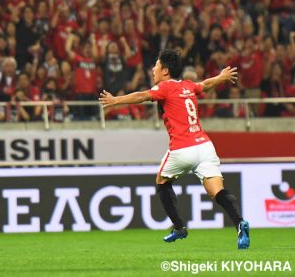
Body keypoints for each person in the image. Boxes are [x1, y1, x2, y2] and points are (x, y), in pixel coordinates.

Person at [99, 49, 250, 249]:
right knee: (217, 191)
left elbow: (143, 96)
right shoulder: (188, 86)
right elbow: (205, 84)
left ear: (166, 71)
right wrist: (222, 77)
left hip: (182, 148)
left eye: (157, 65)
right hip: (204, 147)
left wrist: (115, 100)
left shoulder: (165, 88)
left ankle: (179, 226)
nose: (153, 69)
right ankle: (240, 223)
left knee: (161, 181)